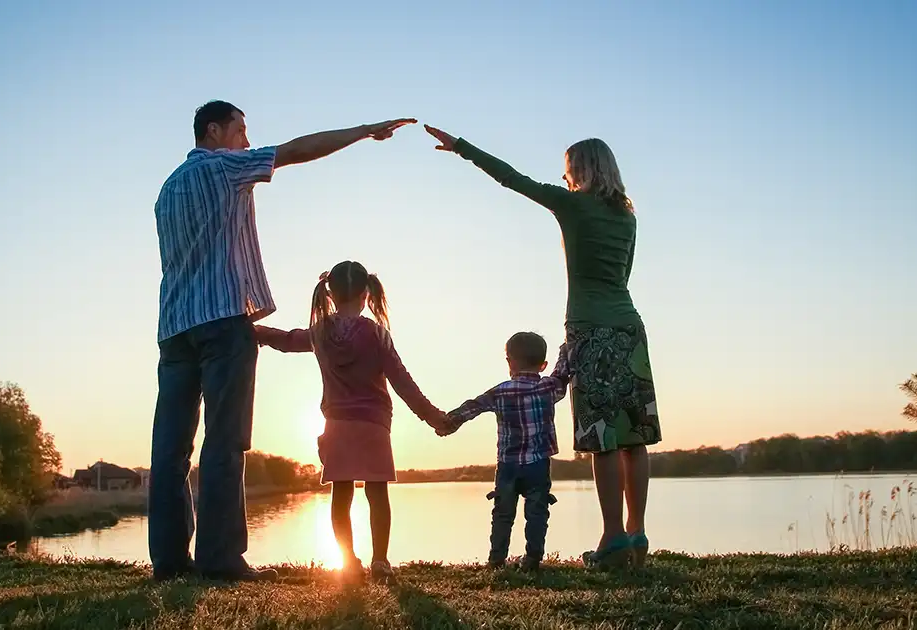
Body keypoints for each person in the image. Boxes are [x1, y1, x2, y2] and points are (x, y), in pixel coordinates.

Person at [149, 100, 416, 583]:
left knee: (169, 450)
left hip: (173, 327)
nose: (247, 142)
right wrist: (363, 129)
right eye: (240, 130)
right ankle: (220, 560)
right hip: (224, 319)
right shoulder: (224, 168)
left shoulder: (166, 190)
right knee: (224, 442)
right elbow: (297, 150)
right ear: (214, 130)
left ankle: (169, 562)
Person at [424, 125, 660, 569]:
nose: (565, 179)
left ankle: (612, 539)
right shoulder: (627, 217)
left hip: (591, 330)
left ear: (580, 171)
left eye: (568, 171)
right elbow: (623, 274)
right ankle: (637, 532)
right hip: (629, 329)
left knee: (604, 441)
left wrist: (461, 147)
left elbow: (512, 178)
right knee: (635, 437)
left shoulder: (572, 204)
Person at [254, 261, 447, 583]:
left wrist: (256, 331)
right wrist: (433, 417)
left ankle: (348, 561)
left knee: (341, 496)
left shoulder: (321, 332)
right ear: (365, 293)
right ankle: (381, 561)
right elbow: (402, 381)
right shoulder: (375, 334)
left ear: (329, 294)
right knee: (377, 494)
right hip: (373, 425)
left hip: (337, 425)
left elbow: (288, 340)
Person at [436, 332, 570, 572]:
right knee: (537, 511)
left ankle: (496, 559)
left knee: (503, 513)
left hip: (507, 465)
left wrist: (449, 423)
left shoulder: (500, 392)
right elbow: (562, 375)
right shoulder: (548, 388)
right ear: (543, 364)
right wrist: (565, 348)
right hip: (538, 465)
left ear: (510, 362)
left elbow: (473, 406)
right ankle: (532, 559)